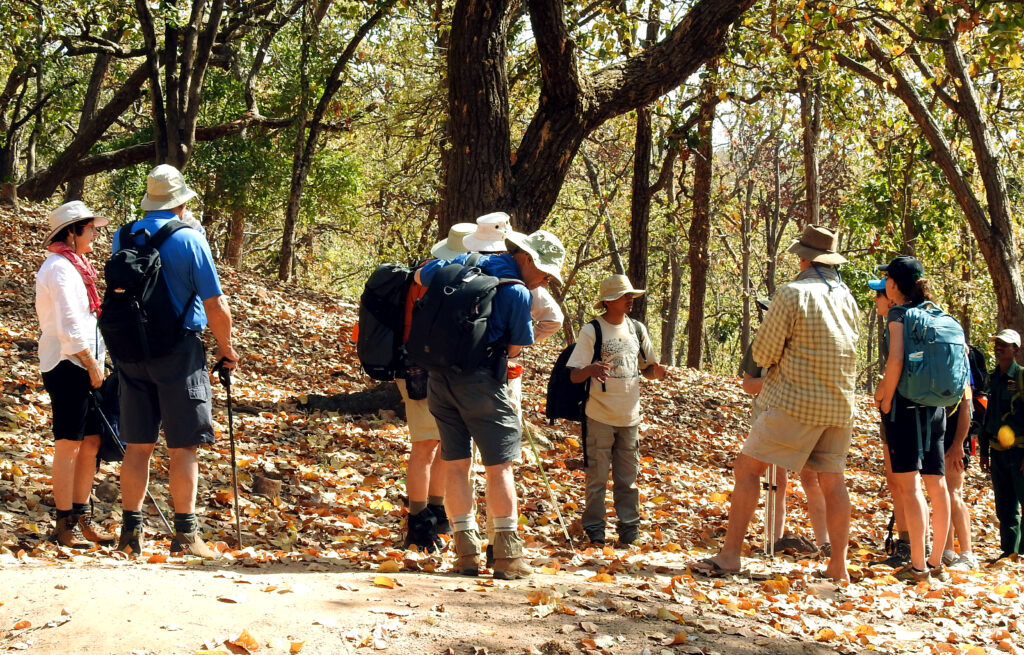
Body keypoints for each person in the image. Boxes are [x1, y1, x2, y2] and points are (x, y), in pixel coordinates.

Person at [691, 225, 859, 582]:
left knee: (747, 469)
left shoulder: (791, 292)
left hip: (795, 401)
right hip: (840, 406)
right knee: (833, 481)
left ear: (803, 258)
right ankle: (838, 567)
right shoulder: (846, 296)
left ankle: (730, 555)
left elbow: (765, 352)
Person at [414, 228, 565, 579]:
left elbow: (421, 275)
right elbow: (515, 348)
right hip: (483, 383)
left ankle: (465, 554)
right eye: (543, 270)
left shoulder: (467, 262)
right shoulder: (515, 291)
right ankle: (508, 558)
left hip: (439, 379)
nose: (545, 279)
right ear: (525, 257)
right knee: (500, 468)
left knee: (455, 465)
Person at [113, 164, 239, 558]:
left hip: (131, 351)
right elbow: (215, 303)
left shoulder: (124, 234)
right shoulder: (190, 240)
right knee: (184, 446)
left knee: (138, 445)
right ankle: (185, 534)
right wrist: (226, 348)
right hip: (179, 352)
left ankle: (130, 532)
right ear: (182, 202)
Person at [35, 201, 116, 548]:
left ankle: (81, 516)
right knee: (68, 443)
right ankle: (64, 524)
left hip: (87, 363)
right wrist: (90, 361)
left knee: (92, 443)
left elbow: (86, 319)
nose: (96, 233)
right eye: (91, 228)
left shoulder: (77, 265)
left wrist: (99, 360)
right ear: (72, 231)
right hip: (68, 364)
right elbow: (68, 322)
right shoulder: (58, 268)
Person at [566, 275, 666, 547]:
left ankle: (629, 531)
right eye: (625, 296)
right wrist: (590, 370)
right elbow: (574, 375)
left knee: (628, 479)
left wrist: (656, 372)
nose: (630, 299)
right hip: (598, 415)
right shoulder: (592, 331)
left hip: (630, 416)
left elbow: (647, 367)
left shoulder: (637, 328)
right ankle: (595, 531)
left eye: (631, 295)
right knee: (597, 479)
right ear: (609, 301)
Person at [873, 255, 951, 582]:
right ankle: (936, 562)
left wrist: (885, 398)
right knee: (937, 483)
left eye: (887, 280)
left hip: (906, 407)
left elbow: (896, 360)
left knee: (909, 487)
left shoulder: (898, 313)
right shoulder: (934, 311)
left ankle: (917, 566)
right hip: (935, 409)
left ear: (893, 284)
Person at [400, 223, 475, 551]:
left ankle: (436, 515)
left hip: (439, 370)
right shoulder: (429, 278)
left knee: (446, 443)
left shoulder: (443, 276)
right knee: (426, 444)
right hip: (419, 370)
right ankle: (418, 525)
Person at [739, 297, 828, 556]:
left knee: (812, 477)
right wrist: (775, 383)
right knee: (776, 479)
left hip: (805, 416)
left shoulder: (808, 347)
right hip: (769, 416)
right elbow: (748, 385)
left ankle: (825, 544)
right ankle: (773, 541)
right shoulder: (759, 347)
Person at [865, 280, 914, 569]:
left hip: (899, 410)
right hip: (905, 409)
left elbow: (895, 364)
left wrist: (883, 397)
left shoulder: (898, 321)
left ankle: (909, 547)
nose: (875, 301)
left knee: (901, 482)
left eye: (878, 295)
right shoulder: (899, 322)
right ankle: (906, 543)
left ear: (891, 296)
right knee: (899, 482)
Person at [978, 329, 1024, 561]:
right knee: (1005, 506)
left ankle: (1022, 554)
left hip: (1019, 452)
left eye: (1004, 344)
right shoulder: (992, 377)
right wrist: (984, 452)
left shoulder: (1021, 378)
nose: (998, 347)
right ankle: (1009, 553)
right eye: (996, 343)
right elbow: (988, 418)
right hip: (997, 452)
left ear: (1015, 349)